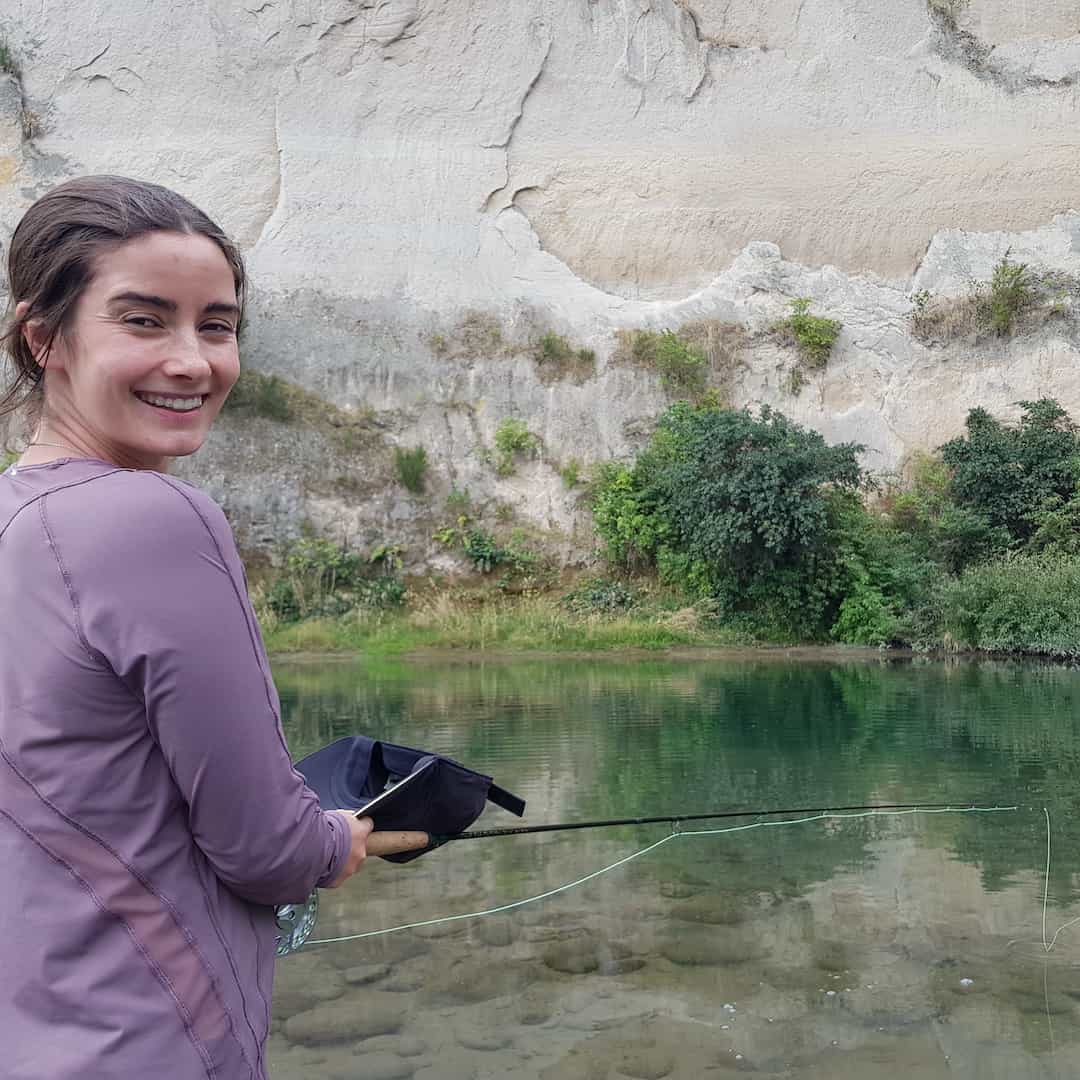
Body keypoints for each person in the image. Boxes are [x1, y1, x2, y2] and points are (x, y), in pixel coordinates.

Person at [0, 175, 374, 1079]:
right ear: (42, 337)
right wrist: (339, 839)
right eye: (143, 320)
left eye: (216, 324)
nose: (193, 360)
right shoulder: (152, 517)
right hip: (150, 1038)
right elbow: (267, 849)